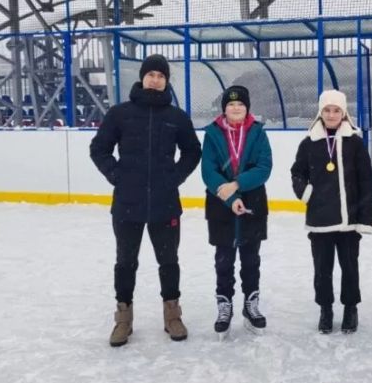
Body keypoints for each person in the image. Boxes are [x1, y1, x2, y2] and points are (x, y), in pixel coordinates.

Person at [90, 54, 202, 347]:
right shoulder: (120, 113)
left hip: (165, 204)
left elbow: (192, 151)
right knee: (125, 262)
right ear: (142, 78)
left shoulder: (177, 117)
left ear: (166, 81)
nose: (155, 79)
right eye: (150, 74)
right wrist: (117, 175)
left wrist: (174, 177)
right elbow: (99, 148)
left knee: (169, 261)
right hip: (127, 203)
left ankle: (172, 315)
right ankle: (123, 319)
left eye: (161, 76)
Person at [290, 89, 372, 334]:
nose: (331, 114)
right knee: (322, 270)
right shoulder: (309, 143)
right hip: (320, 221)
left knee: (350, 267)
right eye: (327, 110)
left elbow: (365, 181)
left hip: (349, 221)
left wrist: (365, 219)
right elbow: (297, 173)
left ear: (344, 113)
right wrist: (306, 193)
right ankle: (325, 309)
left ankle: (350, 308)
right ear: (320, 112)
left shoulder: (355, 142)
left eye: (336, 110)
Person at [201, 85, 272, 339]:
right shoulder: (212, 134)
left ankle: (251, 306)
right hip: (221, 206)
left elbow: (264, 167)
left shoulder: (257, 132)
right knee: (224, 261)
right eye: (231, 105)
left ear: (247, 107)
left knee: (251, 260)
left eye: (240, 104)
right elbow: (208, 171)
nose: (235, 108)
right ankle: (225, 306)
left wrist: (238, 184)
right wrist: (230, 196)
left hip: (253, 205)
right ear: (224, 109)